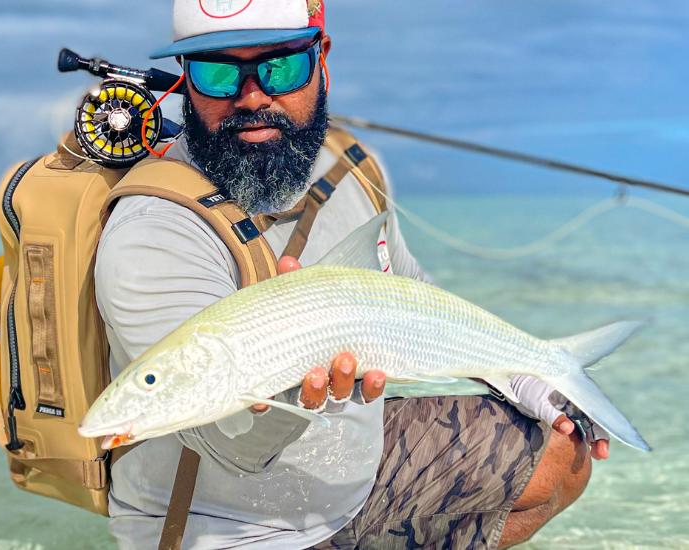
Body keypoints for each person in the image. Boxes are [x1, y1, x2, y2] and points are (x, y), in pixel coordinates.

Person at [95, 1, 610, 548]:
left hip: (352, 473)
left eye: (280, 66)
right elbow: (229, 444)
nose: (251, 97)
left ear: (322, 60)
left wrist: (526, 374)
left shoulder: (351, 168)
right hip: (228, 526)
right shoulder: (152, 230)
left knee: (563, 456)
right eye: (216, 72)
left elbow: (414, 297)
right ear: (185, 81)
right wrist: (290, 360)